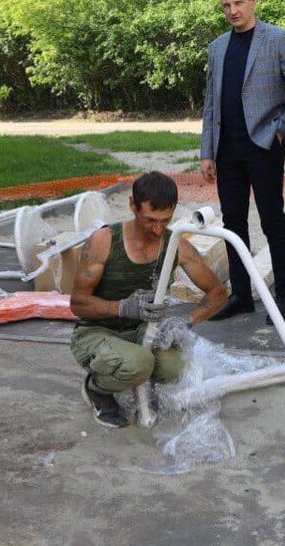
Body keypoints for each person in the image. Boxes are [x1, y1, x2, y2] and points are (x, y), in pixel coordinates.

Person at [69, 172, 227, 428]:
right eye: (150, 219)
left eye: (165, 220)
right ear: (133, 205)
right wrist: (121, 307)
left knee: (173, 369)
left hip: (143, 329)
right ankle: (96, 388)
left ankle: (137, 377)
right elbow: (77, 303)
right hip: (96, 331)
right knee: (139, 364)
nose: (157, 229)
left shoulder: (176, 244)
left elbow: (218, 293)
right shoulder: (105, 242)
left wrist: (185, 321)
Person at [200, 0, 285, 324]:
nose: (232, 11)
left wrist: (282, 129)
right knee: (233, 223)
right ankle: (241, 295)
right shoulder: (217, 47)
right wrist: (207, 151)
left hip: (264, 146)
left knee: (272, 220)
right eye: (226, 5)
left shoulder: (277, 39)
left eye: (238, 3)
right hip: (226, 152)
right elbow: (210, 104)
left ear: (253, 1)